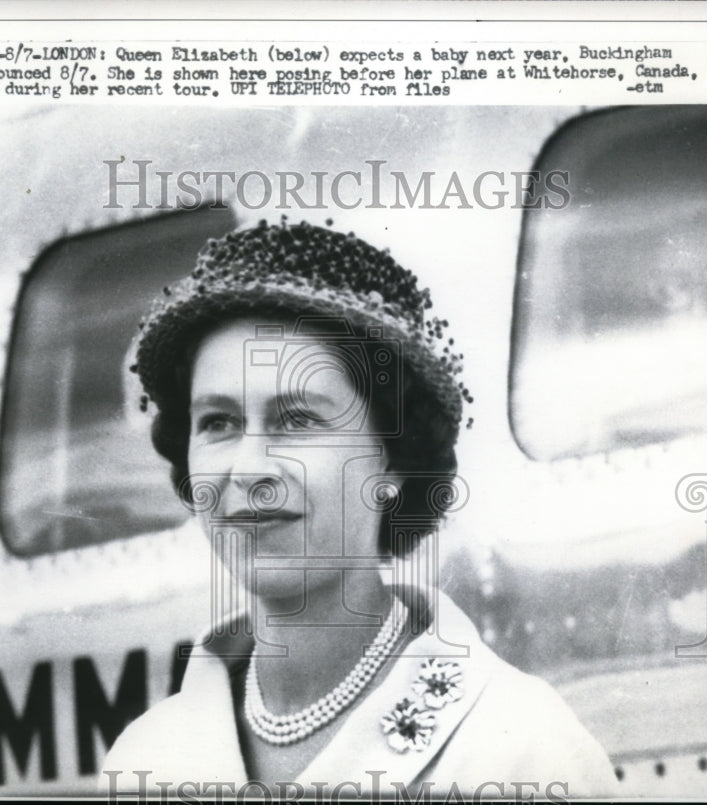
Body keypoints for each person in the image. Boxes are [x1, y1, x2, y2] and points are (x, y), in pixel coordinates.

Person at [101, 219, 615, 799]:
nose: (248, 469)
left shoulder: (518, 748)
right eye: (217, 423)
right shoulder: (146, 761)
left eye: (298, 420)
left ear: (393, 460)